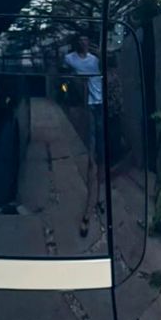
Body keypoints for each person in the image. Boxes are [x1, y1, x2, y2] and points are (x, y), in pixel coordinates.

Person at [63, 35, 104, 237]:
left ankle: (97, 198)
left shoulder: (96, 61)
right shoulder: (70, 59)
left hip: (99, 107)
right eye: (80, 40)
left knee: (99, 156)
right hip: (84, 109)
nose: (84, 42)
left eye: (87, 39)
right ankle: (88, 210)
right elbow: (65, 77)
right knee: (90, 158)